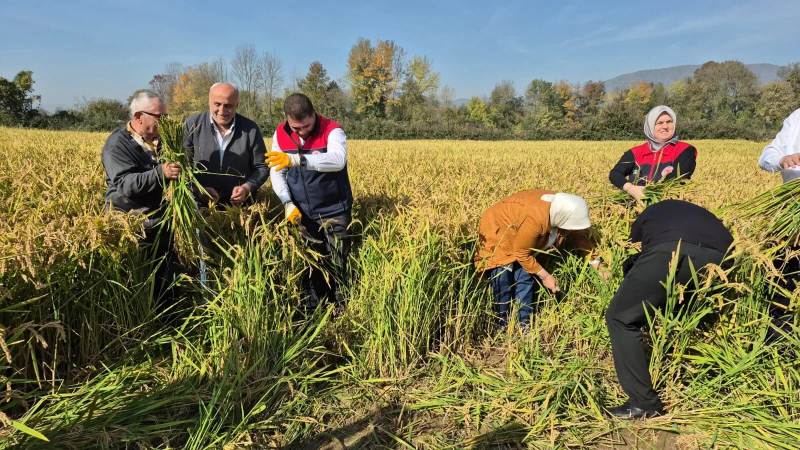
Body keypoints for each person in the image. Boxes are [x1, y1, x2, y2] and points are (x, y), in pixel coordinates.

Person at [605, 200, 733, 419]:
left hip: (672, 250)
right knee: (687, 313)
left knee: (620, 318)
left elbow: (640, 255)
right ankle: (695, 379)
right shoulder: (701, 212)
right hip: (724, 259)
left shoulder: (646, 215)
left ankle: (642, 403)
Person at [266, 93, 353, 308]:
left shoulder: (332, 130)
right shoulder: (280, 134)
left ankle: (342, 309)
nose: (302, 131)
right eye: (297, 128)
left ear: (314, 114)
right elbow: (277, 172)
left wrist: (298, 159)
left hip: (335, 211)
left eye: (307, 125)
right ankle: (313, 311)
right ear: (286, 118)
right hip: (303, 212)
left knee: (339, 263)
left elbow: (337, 160)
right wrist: (287, 203)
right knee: (311, 263)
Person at [474, 190, 605, 327]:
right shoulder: (536, 219)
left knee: (526, 276)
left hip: (524, 234)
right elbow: (521, 253)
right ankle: (503, 322)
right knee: (503, 277)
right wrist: (545, 276)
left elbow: (581, 237)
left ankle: (523, 322)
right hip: (499, 228)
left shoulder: (568, 209)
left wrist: (596, 263)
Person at [101, 90, 181, 309]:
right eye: (159, 117)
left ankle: (170, 321)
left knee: (167, 282)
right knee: (138, 282)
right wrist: (160, 172)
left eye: (165, 116)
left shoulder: (164, 141)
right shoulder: (117, 145)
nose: (164, 122)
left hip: (162, 225)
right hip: (133, 226)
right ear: (138, 117)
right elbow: (126, 185)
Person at [183, 82, 269, 206]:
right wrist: (198, 190)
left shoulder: (251, 129)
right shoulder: (192, 125)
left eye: (228, 105)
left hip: (241, 210)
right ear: (209, 102)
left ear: (237, 105)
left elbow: (262, 167)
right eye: (217, 104)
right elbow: (182, 167)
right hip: (202, 208)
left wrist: (247, 188)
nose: (222, 111)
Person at [758, 107, 800, 342]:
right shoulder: (797, 117)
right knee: (783, 280)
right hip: (791, 213)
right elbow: (767, 156)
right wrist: (782, 159)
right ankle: (777, 350)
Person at [609, 106, 697, 205]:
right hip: (634, 203)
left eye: (669, 122)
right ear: (650, 126)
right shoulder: (636, 152)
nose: (665, 126)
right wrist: (631, 189)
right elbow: (615, 173)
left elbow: (677, 179)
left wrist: (648, 194)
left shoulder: (685, 150)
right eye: (659, 123)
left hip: (668, 205)